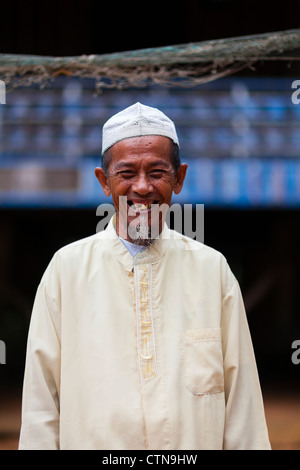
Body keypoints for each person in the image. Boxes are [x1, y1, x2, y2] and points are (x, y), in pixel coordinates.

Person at [19, 102, 271, 450]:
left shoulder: (213, 271)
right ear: (104, 182)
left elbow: (243, 407)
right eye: (126, 173)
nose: (141, 187)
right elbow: (40, 407)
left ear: (179, 178)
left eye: (156, 172)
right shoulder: (66, 271)